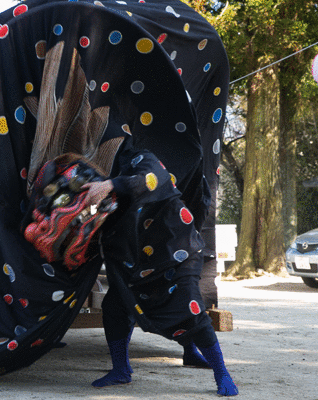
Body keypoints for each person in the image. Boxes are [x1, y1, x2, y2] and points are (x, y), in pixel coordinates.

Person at [80, 144, 238, 396]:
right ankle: (121, 370)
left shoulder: (138, 157)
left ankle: (222, 373)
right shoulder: (93, 176)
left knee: (188, 306)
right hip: (137, 259)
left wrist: (111, 185)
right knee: (116, 305)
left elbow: (153, 178)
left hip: (177, 248)